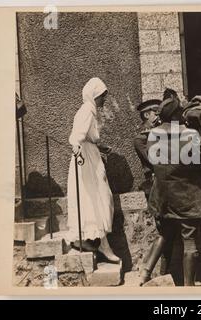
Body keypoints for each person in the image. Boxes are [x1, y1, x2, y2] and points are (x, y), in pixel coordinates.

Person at [139, 94, 201, 286]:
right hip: (187, 196)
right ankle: (188, 287)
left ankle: (144, 276)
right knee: (190, 240)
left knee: (164, 234)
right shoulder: (190, 134)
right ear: (178, 116)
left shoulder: (153, 135)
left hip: (163, 197)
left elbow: (154, 162)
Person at [67, 77, 119, 263]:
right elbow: (76, 137)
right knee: (96, 198)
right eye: (102, 96)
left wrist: (100, 146)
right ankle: (102, 245)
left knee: (96, 198)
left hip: (90, 154)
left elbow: (88, 137)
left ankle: (92, 241)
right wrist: (78, 148)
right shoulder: (87, 110)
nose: (104, 99)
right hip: (86, 160)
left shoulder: (90, 110)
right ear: (94, 95)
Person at [133, 99, 161, 198]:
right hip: (156, 182)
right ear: (146, 115)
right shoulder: (140, 139)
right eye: (156, 113)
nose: (159, 117)